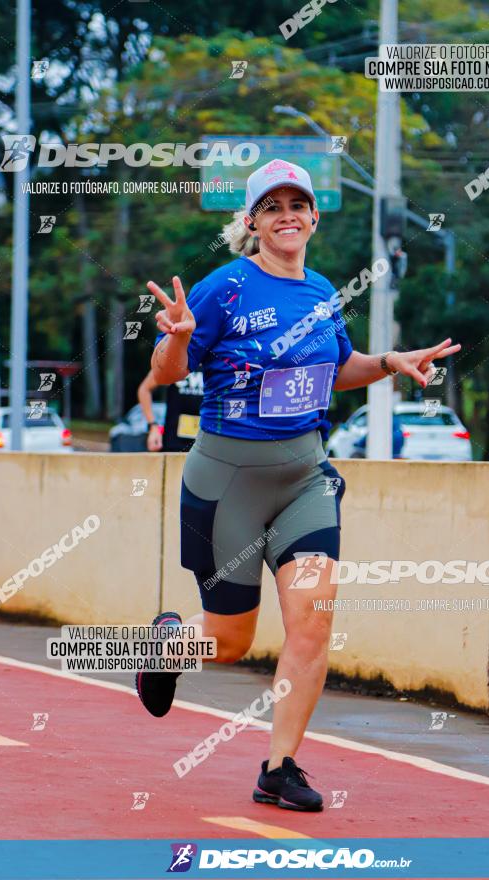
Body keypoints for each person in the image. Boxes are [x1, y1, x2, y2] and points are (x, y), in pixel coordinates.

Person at [136, 158, 460, 812]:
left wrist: (389, 363)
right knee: (229, 643)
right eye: (272, 205)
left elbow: (339, 368)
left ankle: (278, 768)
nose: (287, 214)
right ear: (252, 221)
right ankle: (168, 646)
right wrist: (176, 340)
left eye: (297, 204)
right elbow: (167, 371)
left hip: (305, 482)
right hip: (227, 482)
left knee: (311, 625)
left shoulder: (319, 292)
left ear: (313, 217)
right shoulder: (223, 289)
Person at [138, 369, 204, 452]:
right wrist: (153, 427)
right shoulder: (176, 359)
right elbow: (144, 389)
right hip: (173, 445)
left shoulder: (219, 362)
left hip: (207, 445)